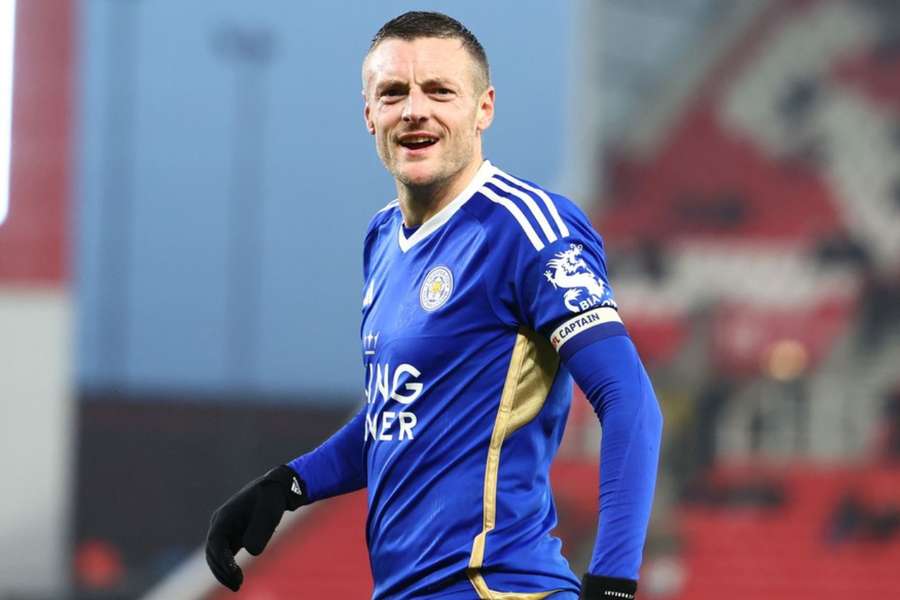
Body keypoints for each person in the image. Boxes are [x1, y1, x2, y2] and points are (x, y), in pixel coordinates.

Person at [205, 11, 662, 600]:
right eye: (393, 93)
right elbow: (402, 412)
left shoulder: (529, 229)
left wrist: (615, 583)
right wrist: (289, 484)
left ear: (483, 109)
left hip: (496, 589)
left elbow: (630, 402)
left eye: (440, 91)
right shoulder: (381, 240)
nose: (414, 109)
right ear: (369, 114)